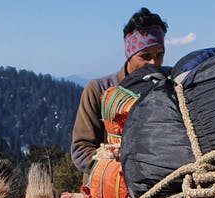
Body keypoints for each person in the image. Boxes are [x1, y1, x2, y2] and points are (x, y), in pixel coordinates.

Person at [70, 8, 168, 180]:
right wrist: (118, 171)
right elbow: (81, 149)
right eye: (145, 56)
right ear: (129, 55)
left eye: (159, 55)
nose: (154, 63)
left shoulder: (167, 86)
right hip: (110, 188)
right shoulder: (99, 90)